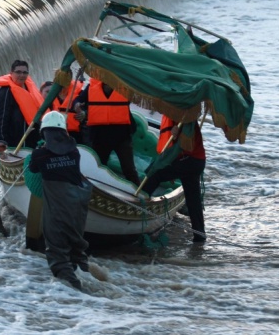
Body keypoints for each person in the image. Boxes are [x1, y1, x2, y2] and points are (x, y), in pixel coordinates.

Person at [28, 111, 93, 291]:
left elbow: (33, 169)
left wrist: (38, 150)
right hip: (78, 206)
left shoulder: (40, 155)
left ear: (44, 133)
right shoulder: (74, 152)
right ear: (64, 132)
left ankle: (75, 292)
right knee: (77, 249)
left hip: (58, 207)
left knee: (57, 251)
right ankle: (87, 276)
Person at [142, 115, 207, 243]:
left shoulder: (185, 116)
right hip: (196, 161)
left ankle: (140, 204)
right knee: (193, 200)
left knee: (155, 172)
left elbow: (186, 141)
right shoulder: (182, 114)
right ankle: (200, 236)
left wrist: (177, 134)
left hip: (189, 160)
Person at [73, 78, 140, 185]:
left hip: (122, 136)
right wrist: (77, 105)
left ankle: (138, 195)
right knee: (98, 167)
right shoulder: (92, 86)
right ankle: (98, 191)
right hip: (100, 136)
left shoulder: (125, 86)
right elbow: (78, 99)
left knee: (129, 169)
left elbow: (140, 91)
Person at [0, 60, 44, 153]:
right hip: (16, 140)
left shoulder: (29, 88)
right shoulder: (5, 92)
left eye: (24, 72)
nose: (22, 75)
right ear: (11, 73)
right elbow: (0, 117)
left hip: (33, 136)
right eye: (18, 72)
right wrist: (1, 139)